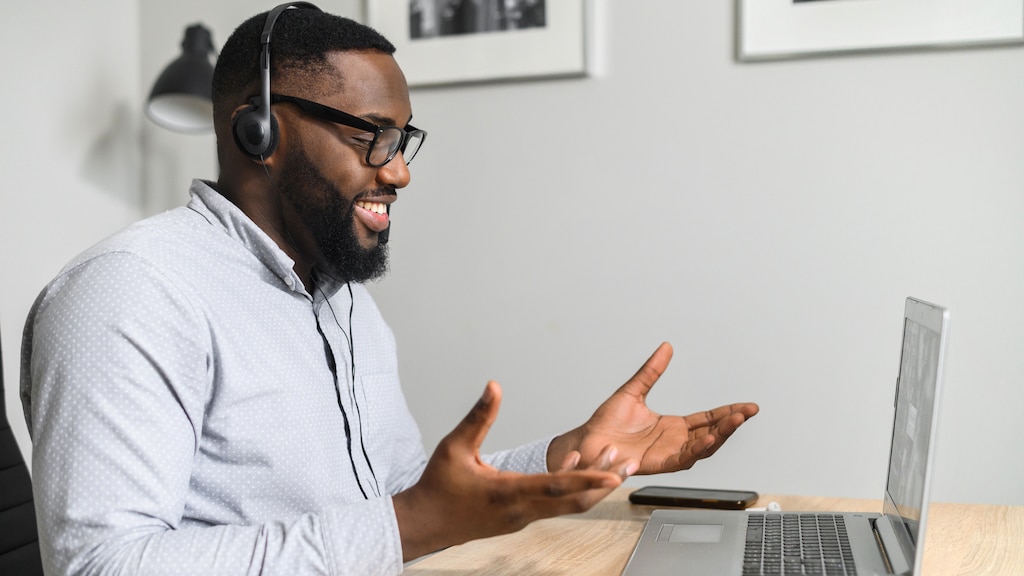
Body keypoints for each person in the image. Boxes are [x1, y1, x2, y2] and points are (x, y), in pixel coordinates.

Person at [20, 4, 759, 575]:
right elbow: (103, 564)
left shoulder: (342, 300)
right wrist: (409, 523)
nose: (398, 170)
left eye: (402, 139)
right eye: (370, 134)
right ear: (261, 132)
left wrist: (570, 456)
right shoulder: (130, 294)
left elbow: (404, 495)